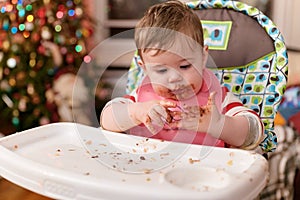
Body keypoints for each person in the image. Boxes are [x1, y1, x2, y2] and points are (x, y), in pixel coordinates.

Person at [100, 0, 263, 149]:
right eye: (161, 70)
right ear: (145, 68)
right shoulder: (142, 98)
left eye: (185, 66)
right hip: (146, 172)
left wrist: (218, 124)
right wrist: (136, 112)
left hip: (205, 175)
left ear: (203, 57)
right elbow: (107, 119)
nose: (174, 78)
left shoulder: (217, 100)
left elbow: (254, 132)